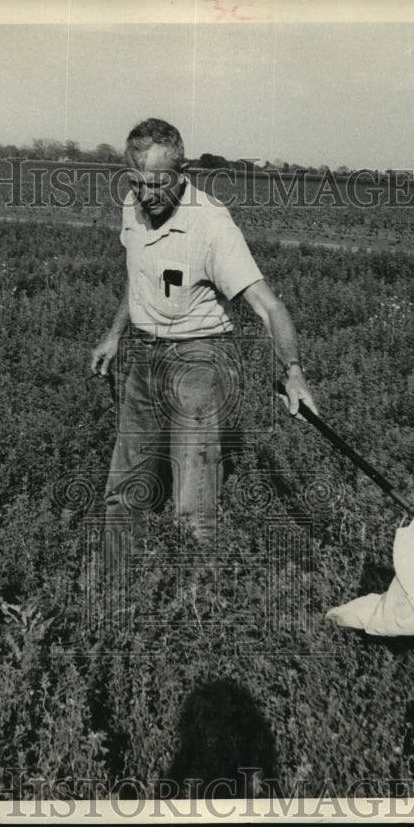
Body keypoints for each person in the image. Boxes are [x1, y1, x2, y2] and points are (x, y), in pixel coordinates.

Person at [90, 118, 317, 563]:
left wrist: (294, 373)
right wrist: (115, 334)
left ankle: (196, 596)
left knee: (192, 500)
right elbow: (140, 274)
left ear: (183, 171)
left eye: (156, 184)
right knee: (124, 486)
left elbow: (267, 306)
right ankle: (115, 580)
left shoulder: (212, 226)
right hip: (143, 355)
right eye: (135, 183)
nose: (146, 195)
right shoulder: (132, 205)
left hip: (199, 360)